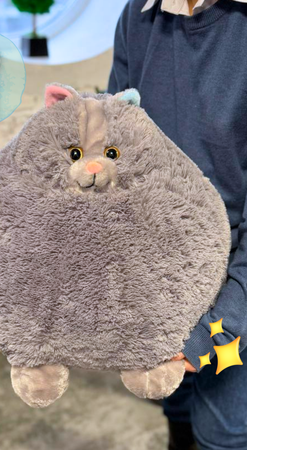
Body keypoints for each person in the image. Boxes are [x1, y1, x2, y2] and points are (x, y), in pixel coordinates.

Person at [108, 1, 247, 449]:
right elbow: (115, 151)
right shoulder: (138, 15)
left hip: (239, 290)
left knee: (224, 431)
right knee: (176, 404)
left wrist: (218, 329)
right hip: (158, 287)